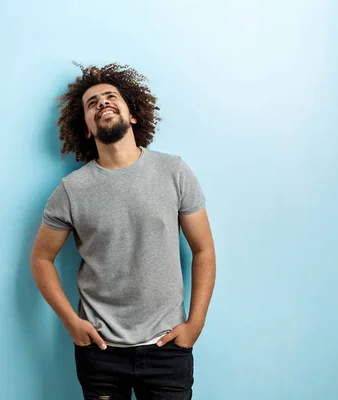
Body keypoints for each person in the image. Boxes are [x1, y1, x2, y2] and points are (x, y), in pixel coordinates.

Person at [30, 63, 216, 400]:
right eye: (92, 103)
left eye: (110, 97)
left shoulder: (174, 171)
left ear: (132, 115)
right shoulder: (71, 190)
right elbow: (41, 258)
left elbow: (203, 249)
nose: (102, 103)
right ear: (86, 129)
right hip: (100, 352)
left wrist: (196, 322)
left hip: (167, 347)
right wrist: (72, 322)